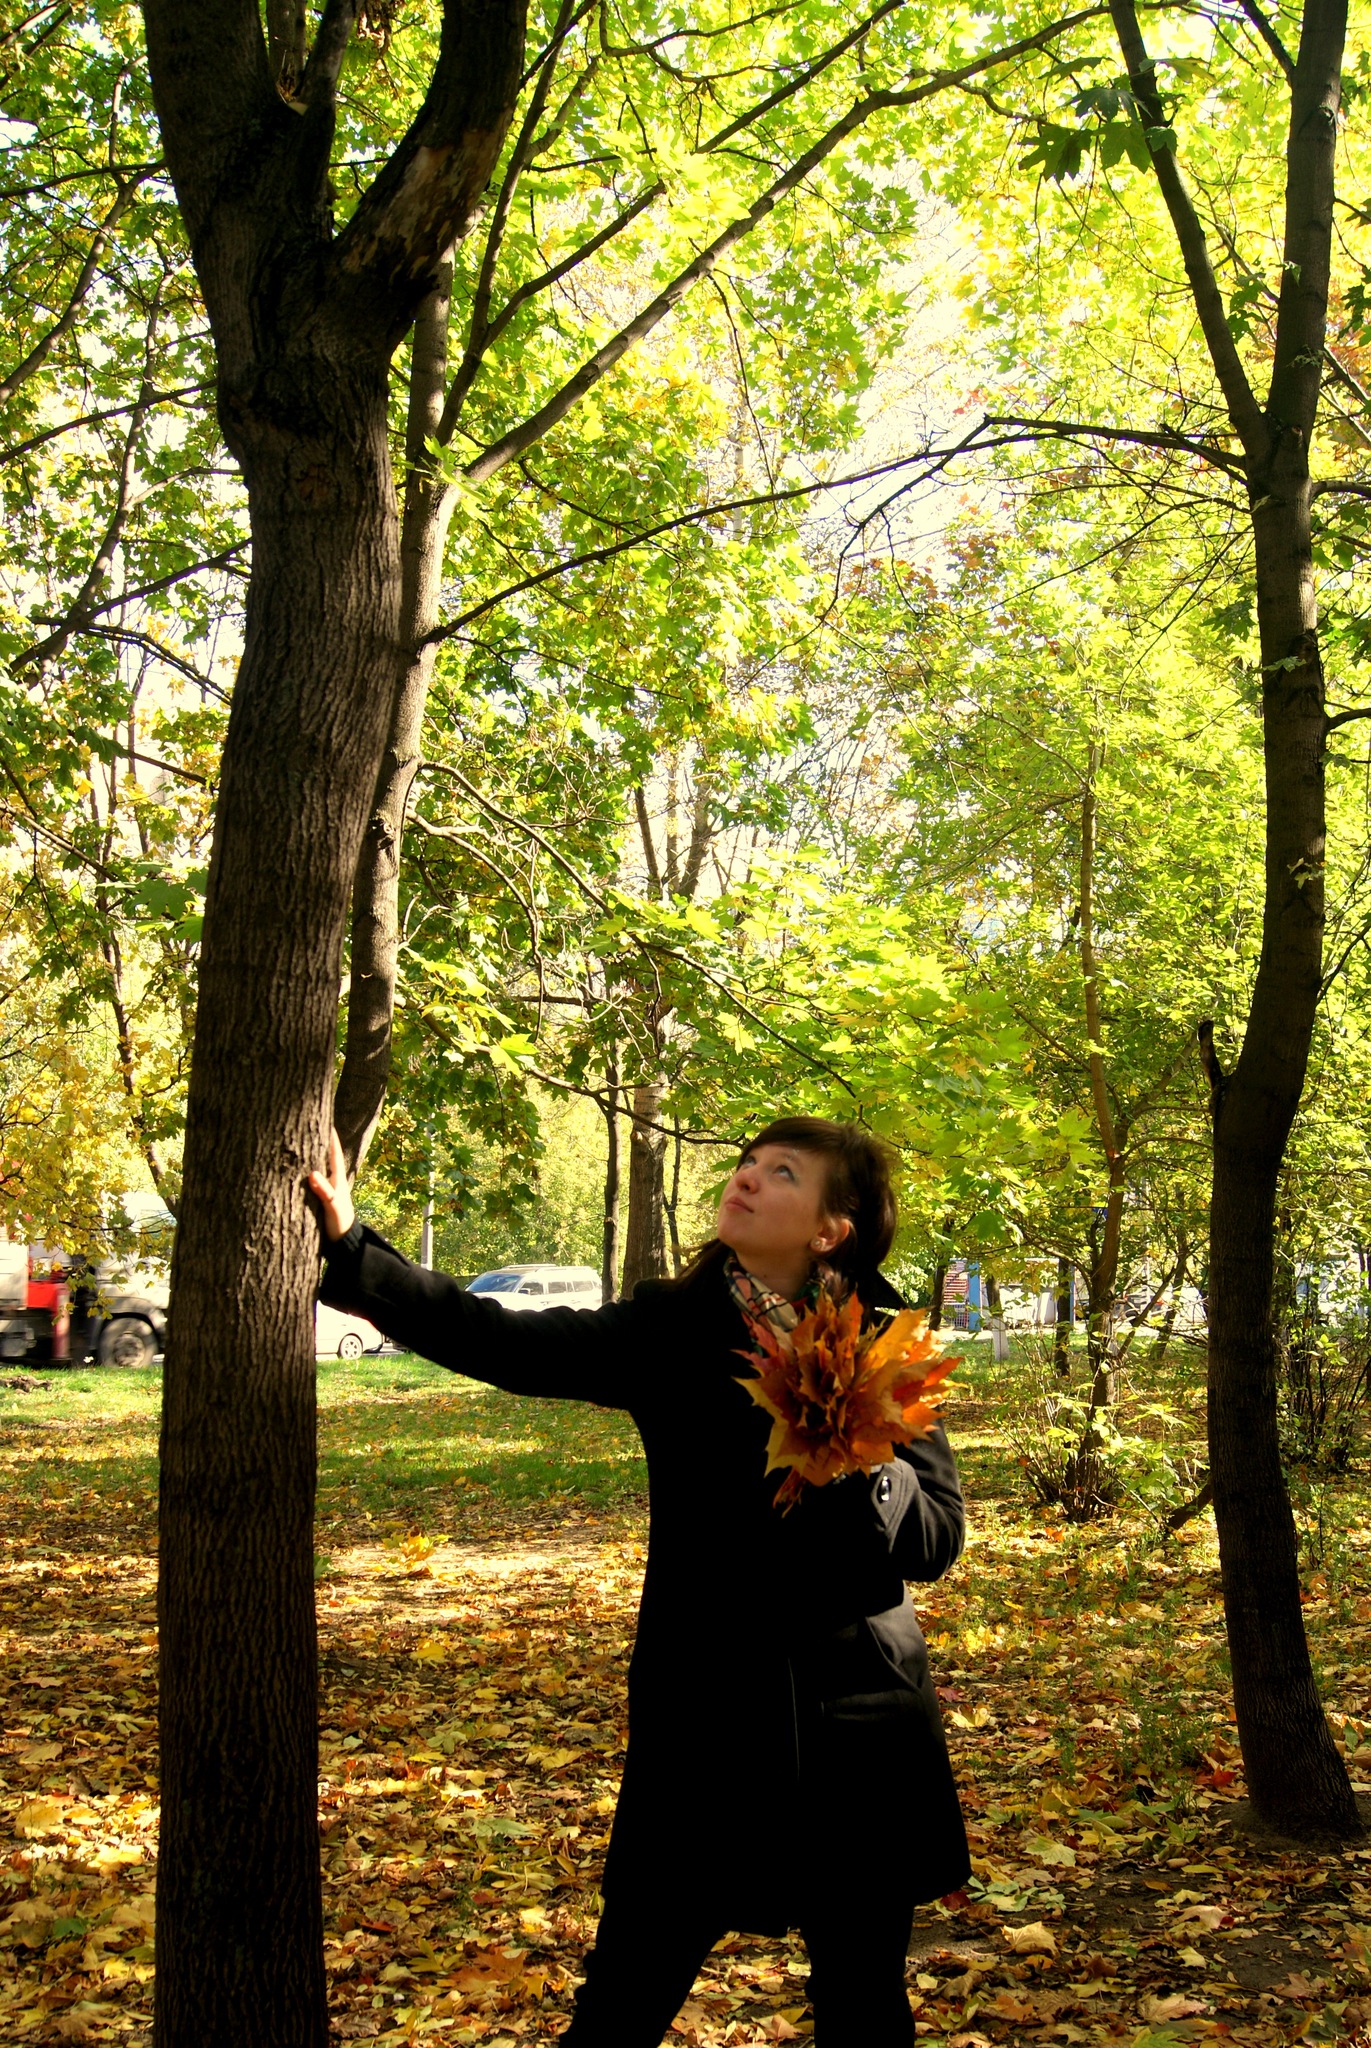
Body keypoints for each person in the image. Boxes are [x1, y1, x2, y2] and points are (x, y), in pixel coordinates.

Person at [310, 1115, 968, 2046]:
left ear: (831, 1230)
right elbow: (499, 1339)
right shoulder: (674, 1328)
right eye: (746, 1162)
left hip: (861, 1716)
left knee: (863, 2003)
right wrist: (351, 1247)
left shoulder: (887, 1345)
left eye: (781, 1172)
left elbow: (937, 1539)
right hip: (710, 1709)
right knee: (624, 1998)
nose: (746, 1178)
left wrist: (871, 1465)